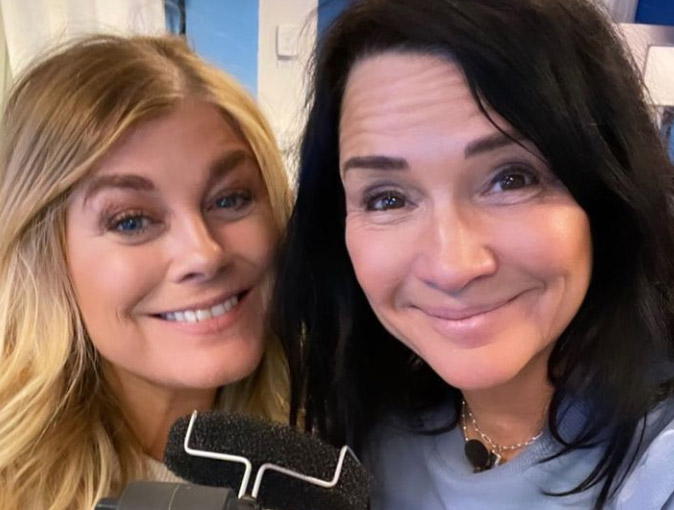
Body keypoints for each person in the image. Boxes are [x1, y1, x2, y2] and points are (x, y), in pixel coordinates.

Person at [272, 0, 674, 508]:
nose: (453, 267)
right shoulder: (365, 436)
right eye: (387, 198)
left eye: (512, 179)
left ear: (606, 189)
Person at [0, 34, 291, 510]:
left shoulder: (337, 437)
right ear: (47, 259)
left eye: (231, 198)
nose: (204, 254)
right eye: (131, 221)